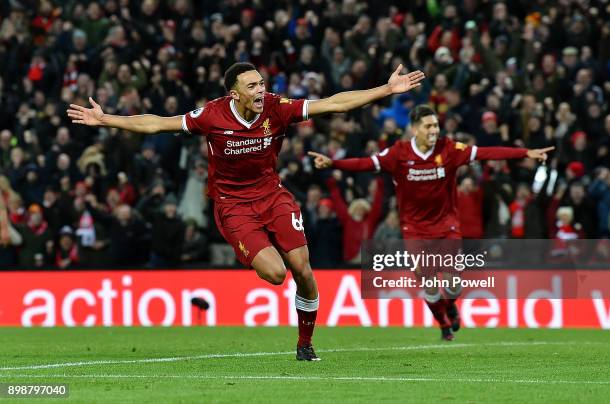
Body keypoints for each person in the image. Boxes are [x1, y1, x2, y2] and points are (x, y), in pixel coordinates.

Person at [67, 61, 425, 360]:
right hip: (233, 205)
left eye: (261, 83)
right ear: (233, 93)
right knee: (275, 274)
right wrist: (107, 119)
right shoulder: (211, 115)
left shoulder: (276, 107)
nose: (259, 90)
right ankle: (275, 279)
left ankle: (305, 344)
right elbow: (156, 122)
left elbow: (333, 103)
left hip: (272, 195)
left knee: (302, 268)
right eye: (251, 85)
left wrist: (385, 90)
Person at [309, 105, 554, 341]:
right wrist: (334, 163)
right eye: (428, 126)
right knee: (429, 285)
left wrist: (525, 153)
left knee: (454, 285)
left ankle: (450, 306)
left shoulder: (449, 149)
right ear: (415, 129)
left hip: (446, 225)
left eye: (436, 125)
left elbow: (486, 152)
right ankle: (445, 324)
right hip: (415, 229)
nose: (434, 130)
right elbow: (366, 163)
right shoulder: (399, 153)